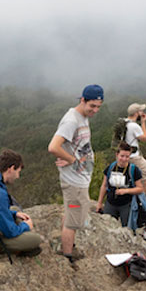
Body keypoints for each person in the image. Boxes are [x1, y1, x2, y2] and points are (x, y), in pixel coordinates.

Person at [47, 85, 103, 263]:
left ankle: (68, 246)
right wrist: (71, 160)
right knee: (73, 221)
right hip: (74, 182)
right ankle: (68, 257)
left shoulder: (82, 116)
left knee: (71, 214)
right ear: (82, 100)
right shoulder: (71, 120)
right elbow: (53, 147)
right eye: (92, 106)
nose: (95, 110)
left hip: (80, 180)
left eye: (98, 107)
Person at [96, 142, 144, 227]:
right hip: (110, 203)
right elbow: (104, 185)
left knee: (127, 229)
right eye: (122, 156)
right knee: (108, 227)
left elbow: (140, 188)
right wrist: (99, 203)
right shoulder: (110, 168)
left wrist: (126, 191)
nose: (124, 159)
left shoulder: (133, 170)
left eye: (127, 156)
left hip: (126, 205)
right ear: (117, 155)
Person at [124, 103, 146, 196]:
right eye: (141, 111)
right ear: (136, 113)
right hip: (134, 157)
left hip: (124, 156)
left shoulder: (123, 122)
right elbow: (144, 138)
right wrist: (143, 122)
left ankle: (135, 198)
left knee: (135, 178)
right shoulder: (134, 126)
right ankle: (144, 199)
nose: (142, 112)